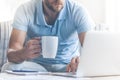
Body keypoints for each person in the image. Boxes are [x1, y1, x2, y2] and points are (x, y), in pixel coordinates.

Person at [1, 0, 95, 72]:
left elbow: (92, 50)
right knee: (8, 67)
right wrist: (23, 53)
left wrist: (80, 62)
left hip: (67, 67)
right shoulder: (25, 9)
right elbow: (11, 53)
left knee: (85, 70)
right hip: (35, 67)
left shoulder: (78, 11)